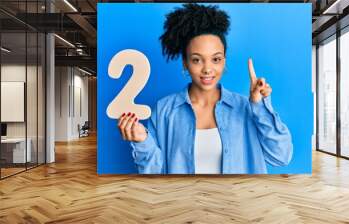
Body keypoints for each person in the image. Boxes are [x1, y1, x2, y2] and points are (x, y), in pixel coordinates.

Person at [118, 3, 293, 174]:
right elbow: (156, 173)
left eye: (215, 59)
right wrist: (142, 141)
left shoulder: (247, 108)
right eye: (196, 59)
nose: (207, 69)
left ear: (224, 61)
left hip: (237, 201)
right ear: (185, 63)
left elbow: (281, 156)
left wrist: (259, 106)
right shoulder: (164, 110)